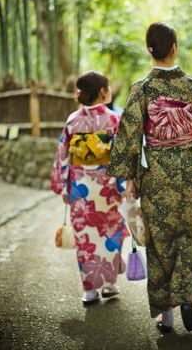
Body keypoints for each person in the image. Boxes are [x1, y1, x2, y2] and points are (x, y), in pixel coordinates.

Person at [107, 22, 192, 333]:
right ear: (174, 48)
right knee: (187, 234)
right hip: (188, 169)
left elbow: (129, 135)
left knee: (159, 240)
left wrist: (129, 176)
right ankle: (186, 295)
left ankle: (167, 315)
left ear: (150, 50)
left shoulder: (142, 89)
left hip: (156, 171)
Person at [51, 71, 129, 306]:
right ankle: (110, 284)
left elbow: (63, 156)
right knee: (110, 233)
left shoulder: (72, 120)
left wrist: (64, 188)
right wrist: (124, 184)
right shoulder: (114, 119)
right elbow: (122, 155)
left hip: (80, 188)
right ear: (102, 92)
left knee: (86, 238)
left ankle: (90, 290)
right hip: (107, 188)